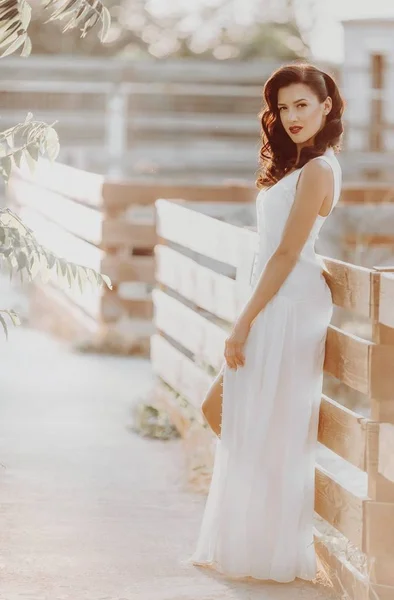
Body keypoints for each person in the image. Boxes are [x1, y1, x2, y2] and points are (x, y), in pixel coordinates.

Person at [186, 62, 344, 583]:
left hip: (287, 304)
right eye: (283, 107)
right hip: (281, 299)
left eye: (303, 105)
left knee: (236, 410)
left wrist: (242, 323)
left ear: (326, 106)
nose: (292, 116)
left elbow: (284, 255)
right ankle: (263, 532)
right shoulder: (301, 164)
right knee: (242, 415)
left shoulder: (320, 168)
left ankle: (275, 538)